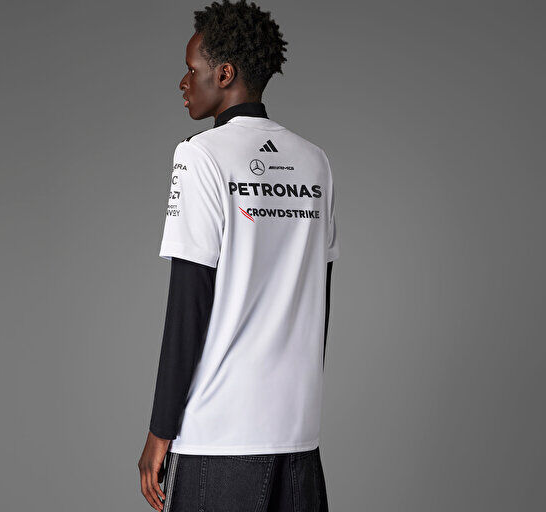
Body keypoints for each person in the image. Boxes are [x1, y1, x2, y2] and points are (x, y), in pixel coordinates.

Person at [138, 1, 339, 510]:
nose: (184, 82)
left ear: (225, 74)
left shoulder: (200, 157)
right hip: (298, 436)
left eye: (192, 70)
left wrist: (160, 431)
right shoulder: (315, 163)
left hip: (219, 438)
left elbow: (188, 305)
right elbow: (320, 300)